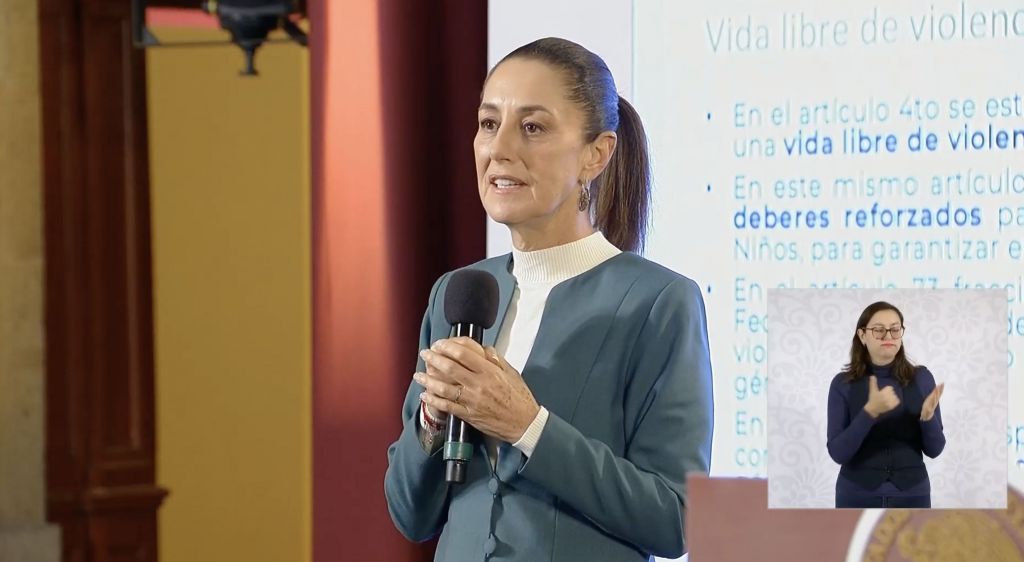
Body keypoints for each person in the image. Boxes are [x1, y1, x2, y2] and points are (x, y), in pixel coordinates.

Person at [383, 37, 713, 561]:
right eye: (489, 124)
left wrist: (528, 427)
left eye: (532, 127)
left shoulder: (659, 301)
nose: (499, 149)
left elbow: (678, 519)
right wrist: (431, 422)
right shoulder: (460, 293)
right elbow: (410, 514)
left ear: (596, 154)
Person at [826, 301, 946, 508]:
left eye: (895, 329)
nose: (888, 336)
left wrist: (927, 418)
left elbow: (935, 450)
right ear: (862, 336)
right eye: (879, 330)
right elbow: (838, 453)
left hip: (912, 495)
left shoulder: (922, 378)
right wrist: (870, 412)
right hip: (855, 495)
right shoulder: (842, 384)